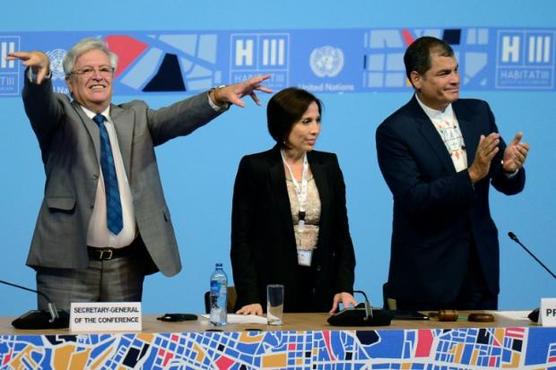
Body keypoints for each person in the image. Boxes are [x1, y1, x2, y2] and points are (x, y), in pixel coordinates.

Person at [7, 38, 271, 311]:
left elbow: (178, 117)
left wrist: (217, 96)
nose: (97, 76)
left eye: (105, 70)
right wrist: (39, 74)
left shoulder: (135, 116)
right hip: (66, 266)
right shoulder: (60, 116)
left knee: (121, 351)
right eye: (86, 71)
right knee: (64, 350)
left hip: (124, 267)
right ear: (70, 82)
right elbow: (39, 102)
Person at [376, 36, 529, 311]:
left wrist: (509, 169)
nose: (456, 79)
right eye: (444, 73)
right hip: (428, 275)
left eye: (456, 70)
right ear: (417, 78)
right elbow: (414, 198)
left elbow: (503, 181)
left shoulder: (478, 112)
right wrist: (470, 176)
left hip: (481, 270)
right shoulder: (395, 130)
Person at [231, 87, 356, 315]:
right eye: (306, 121)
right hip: (269, 294)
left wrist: (344, 286)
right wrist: (250, 296)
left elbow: (342, 234)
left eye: (318, 120)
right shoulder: (255, 167)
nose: (315, 130)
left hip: (322, 292)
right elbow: (242, 239)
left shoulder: (328, 165)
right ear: (283, 124)